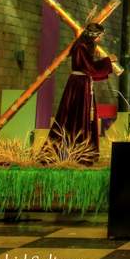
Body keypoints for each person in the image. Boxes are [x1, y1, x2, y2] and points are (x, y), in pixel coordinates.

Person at [46, 22, 118, 164]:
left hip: (84, 85)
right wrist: (107, 61)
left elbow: (90, 69)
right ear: (94, 35)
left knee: (84, 118)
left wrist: (105, 61)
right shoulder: (81, 47)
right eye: (100, 36)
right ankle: (71, 153)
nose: (101, 39)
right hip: (78, 87)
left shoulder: (86, 46)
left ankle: (84, 152)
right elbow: (90, 68)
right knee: (74, 118)